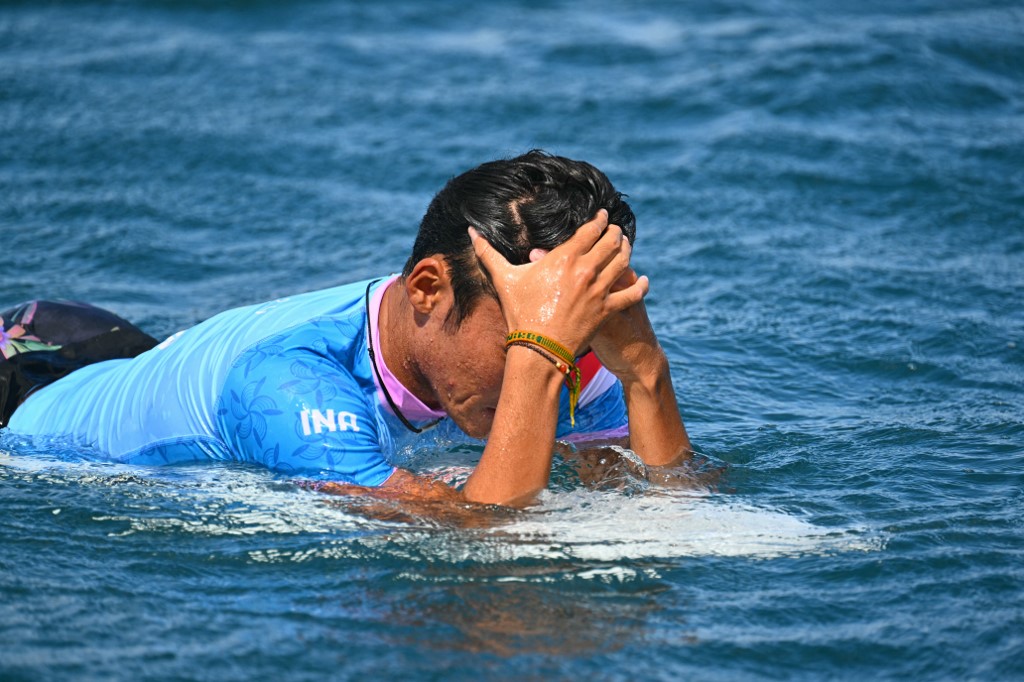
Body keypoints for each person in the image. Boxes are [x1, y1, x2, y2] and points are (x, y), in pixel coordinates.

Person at [0, 151, 692, 506]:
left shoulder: (564, 354)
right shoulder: (291, 383)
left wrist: (643, 371)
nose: (557, 365)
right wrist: (538, 353)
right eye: (524, 332)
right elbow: (490, 548)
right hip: (30, 409)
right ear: (427, 288)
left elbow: (672, 512)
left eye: (574, 330)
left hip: (135, 361)